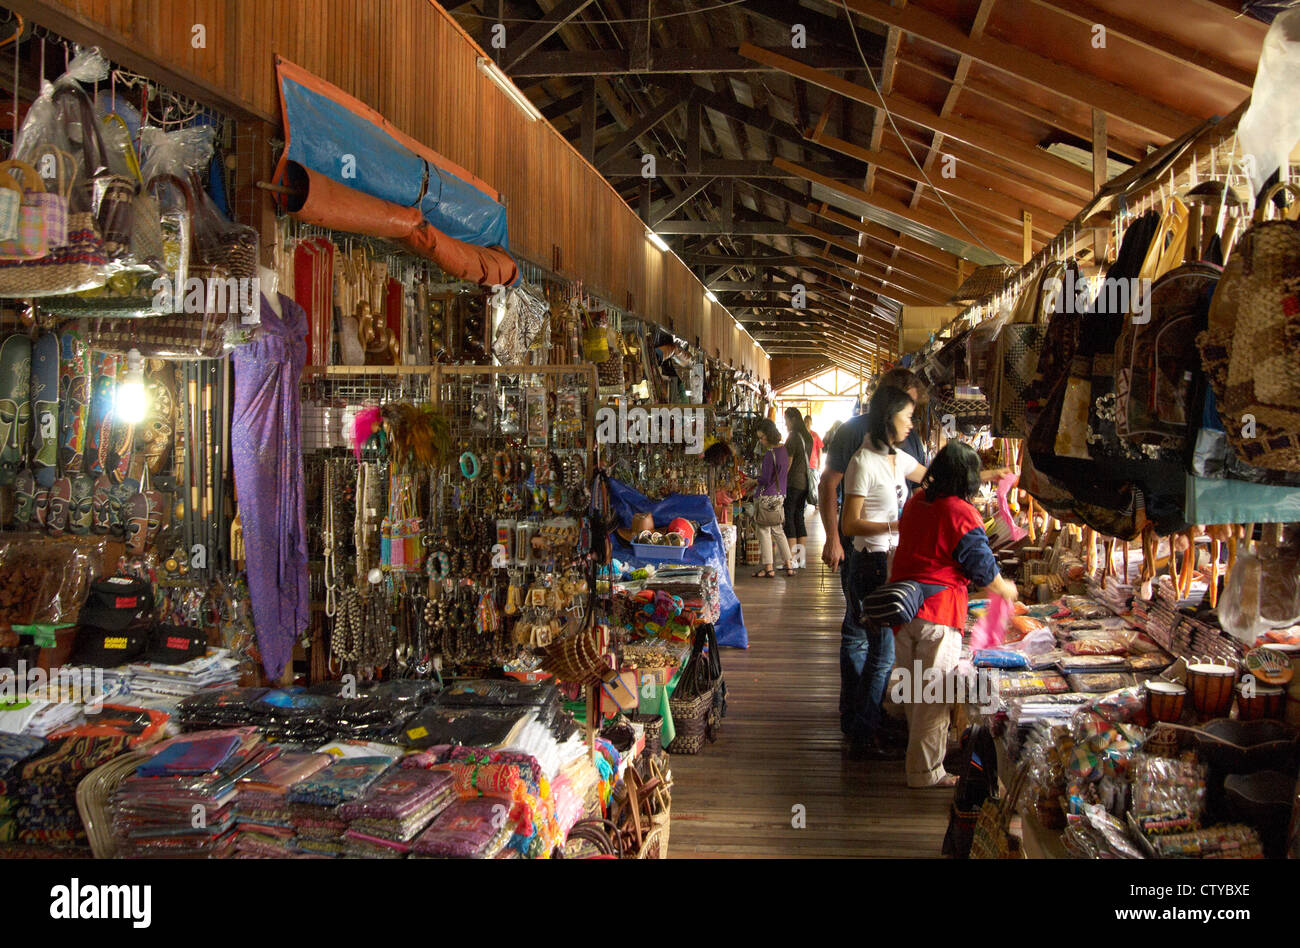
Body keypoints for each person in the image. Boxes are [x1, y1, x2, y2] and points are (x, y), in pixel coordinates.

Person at [889, 441, 1018, 788]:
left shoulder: (918, 503)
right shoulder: (960, 512)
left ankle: (917, 760)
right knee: (932, 698)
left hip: (904, 610)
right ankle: (924, 774)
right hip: (938, 613)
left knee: (916, 692)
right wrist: (1007, 592)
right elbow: (983, 571)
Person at [819, 369, 928, 750]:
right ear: (888, 419)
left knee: (880, 651)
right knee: (878, 652)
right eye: (906, 417)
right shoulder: (863, 462)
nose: (911, 425)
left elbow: (930, 477)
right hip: (870, 566)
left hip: (889, 563)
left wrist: (979, 474)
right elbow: (850, 523)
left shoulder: (895, 458)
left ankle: (863, 721)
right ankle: (863, 731)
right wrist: (894, 523)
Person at [752, 419, 794, 578]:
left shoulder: (770, 455)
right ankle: (789, 565)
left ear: (768, 436)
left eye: (762, 438)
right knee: (778, 531)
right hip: (779, 495)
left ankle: (769, 567)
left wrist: (753, 481)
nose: (761, 441)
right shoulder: (783, 450)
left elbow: (764, 479)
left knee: (763, 531)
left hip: (765, 497)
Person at [783, 407, 813, 558]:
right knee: (799, 517)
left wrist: (778, 482)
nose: (786, 424)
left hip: (793, 483)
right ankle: (800, 558)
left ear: (793, 419)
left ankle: (792, 559)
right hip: (804, 483)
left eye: (786, 420)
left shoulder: (793, 437)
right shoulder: (808, 437)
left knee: (789, 517)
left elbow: (787, 465)